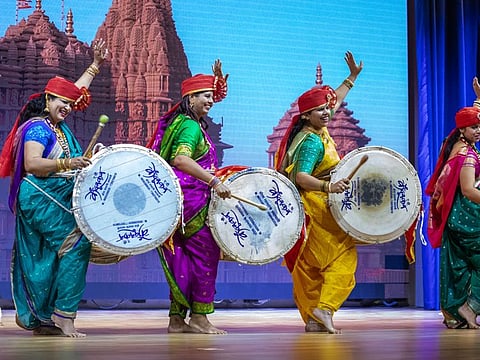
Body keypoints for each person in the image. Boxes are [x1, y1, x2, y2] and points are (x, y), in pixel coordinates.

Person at [0, 39, 109, 337]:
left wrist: (95, 66)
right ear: (47, 99)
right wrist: (69, 164)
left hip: (52, 198)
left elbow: (72, 92)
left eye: (70, 105)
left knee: (49, 255)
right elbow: (34, 164)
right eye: (61, 102)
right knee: (76, 245)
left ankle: (44, 317)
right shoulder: (38, 127)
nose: (68, 108)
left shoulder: (57, 126)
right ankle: (64, 316)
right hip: (38, 197)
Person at [275, 51, 363, 334]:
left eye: (328, 108)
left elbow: (334, 101)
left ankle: (313, 318)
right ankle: (324, 309)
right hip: (316, 209)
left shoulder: (314, 127)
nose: (327, 112)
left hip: (309, 212)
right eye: (321, 110)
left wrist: (351, 78)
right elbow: (301, 177)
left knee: (309, 268)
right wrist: (328, 186)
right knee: (343, 259)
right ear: (306, 115)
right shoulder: (312, 141)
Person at [147, 60, 231, 334]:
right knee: (205, 259)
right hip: (193, 205)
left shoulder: (179, 122)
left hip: (178, 205)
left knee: (183, 261)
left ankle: (175, 319)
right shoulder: (191, 128)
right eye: (205, 96)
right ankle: (199, 317)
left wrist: (217, 83)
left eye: (211, 96)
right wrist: (214, 180)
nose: (210, 101)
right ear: (190, 98)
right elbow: (181, 159)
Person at [425, 78, 480, 329]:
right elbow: (468, 190)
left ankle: (456, 312)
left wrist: (478, 98)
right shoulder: (466, 154)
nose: (478, 131)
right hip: (466, 215)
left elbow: (468, 118)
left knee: (458, 265)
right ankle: (470, 307)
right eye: (474, 128)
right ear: (462, 130)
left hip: (455, 214)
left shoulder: (456, 146)